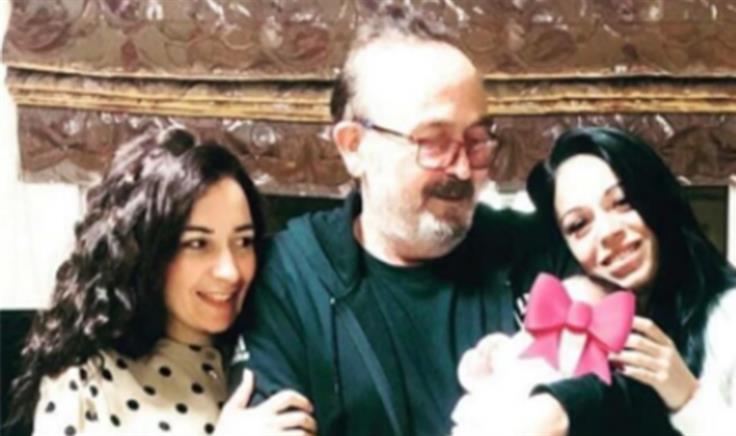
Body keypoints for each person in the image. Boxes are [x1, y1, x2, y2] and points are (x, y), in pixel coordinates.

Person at [235, 7, 572, 436]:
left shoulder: (532, 249)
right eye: (434, 143)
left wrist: (566, 408)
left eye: (476, 141)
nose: (463, 170)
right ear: (354, 147)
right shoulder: (288, 277)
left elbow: (626, 379)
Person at [519, 126, 736, 435]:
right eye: (579, 225)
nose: (608, 232)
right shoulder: (594, 338)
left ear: (657, 197)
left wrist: (688, 398)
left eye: (622, 200)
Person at [7, 129, 317, 435]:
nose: (230, 271)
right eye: (198, 244)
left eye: (244, 241)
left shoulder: (278, 352)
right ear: (145, 250)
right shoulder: (85, 382)